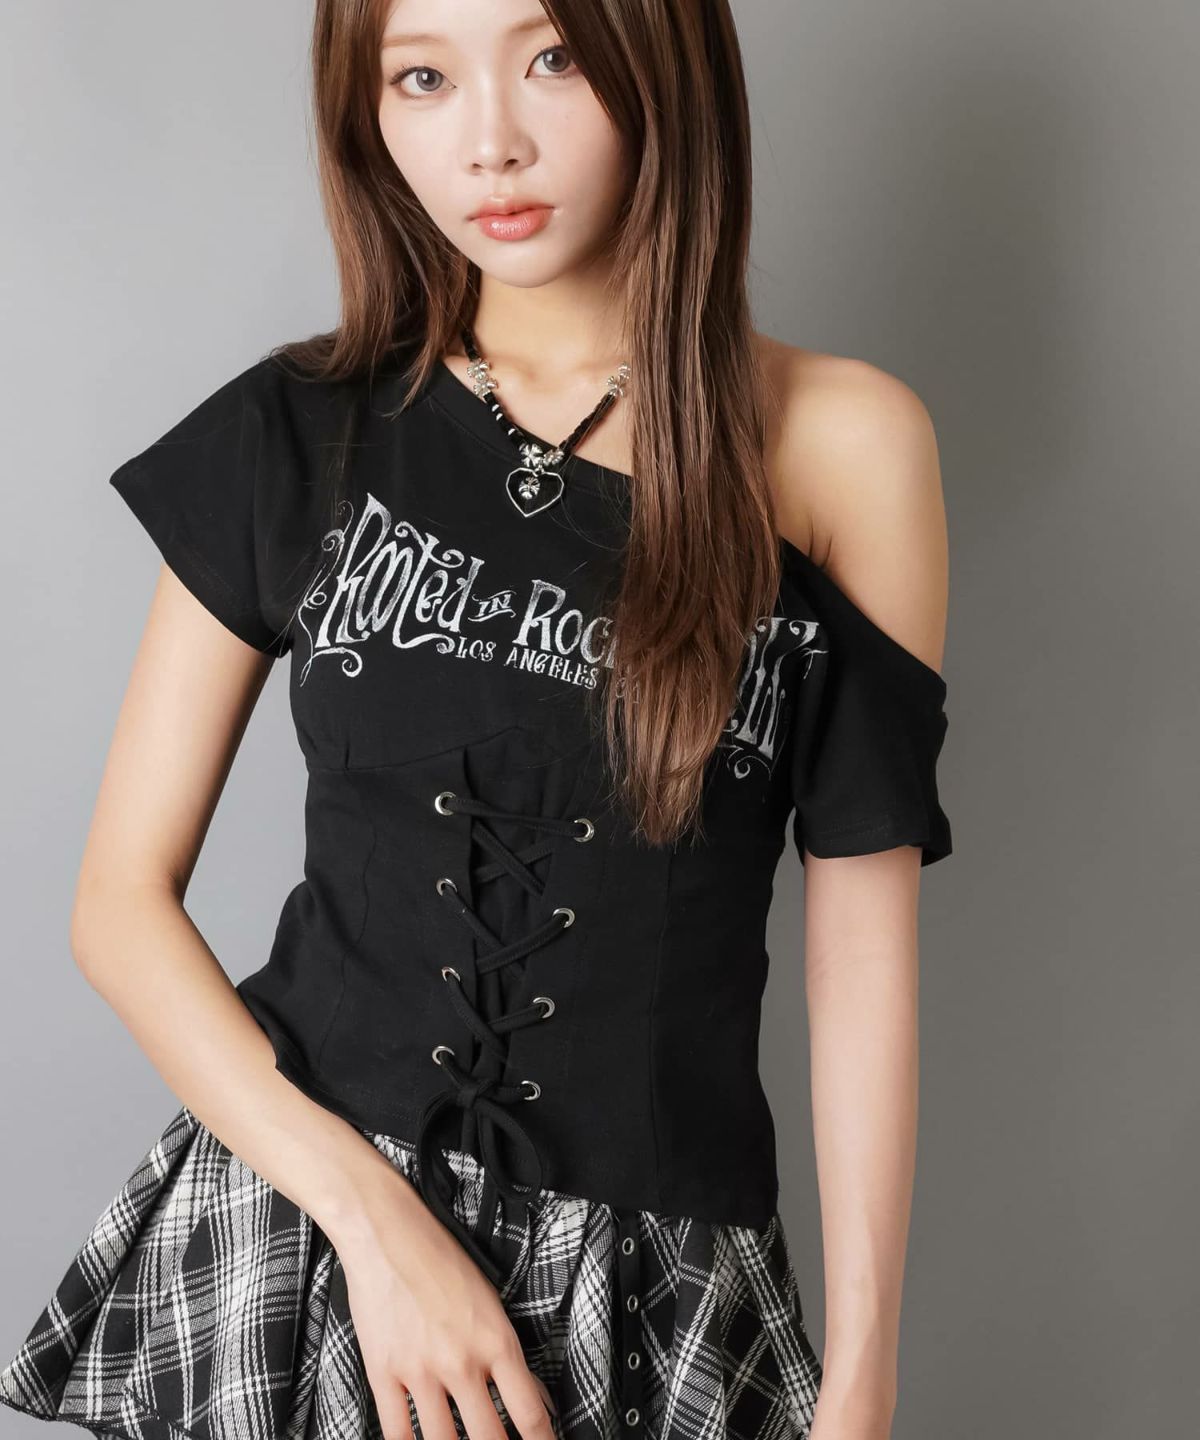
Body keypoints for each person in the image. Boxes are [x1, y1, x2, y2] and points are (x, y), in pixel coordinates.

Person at [0, 2, 953, 1439]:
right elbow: (116, 906)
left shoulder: (840, 443)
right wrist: (376, 1232)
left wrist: (864, 1378)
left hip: (654, 1277)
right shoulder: (304, 427)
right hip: (314, 1237)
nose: (490, 142)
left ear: (661, 63)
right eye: (423, 78)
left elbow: (862, 949)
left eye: (552, 57)